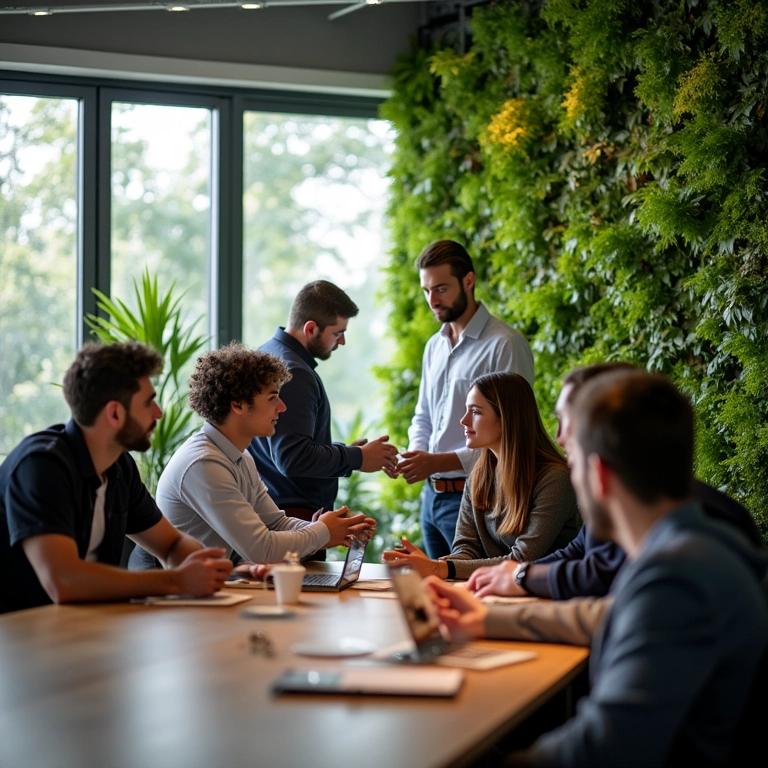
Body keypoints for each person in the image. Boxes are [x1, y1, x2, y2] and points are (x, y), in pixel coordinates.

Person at [428, 370, 768, 767]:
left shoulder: (676, 576)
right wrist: (485, 620)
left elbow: (604, 749)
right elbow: (605, 614)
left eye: (574, 461)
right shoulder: (691, 543)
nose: (560, 447)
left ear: (599, 476)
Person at [468, 362, 764, 600]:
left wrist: (520, 576)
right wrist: (512, 576)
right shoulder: (649, 504)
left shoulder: (680, 548)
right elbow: (578, 556)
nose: (559, 437)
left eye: (566, 419)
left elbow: (601, 574)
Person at [0, 342, 233, 614]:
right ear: (114, 413)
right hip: (16, 639)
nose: (158, 413)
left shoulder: (119, 466)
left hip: (81, 628)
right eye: (148, 403)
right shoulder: (41, 466)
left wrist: (207, 568)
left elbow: (172, 543)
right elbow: (63, 582)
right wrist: (177, 581)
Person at [129, 343, 374, 572]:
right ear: (238, 405)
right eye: (272, 398)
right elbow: (261, 549)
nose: (282, 407)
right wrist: (322, 532)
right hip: (172, 595)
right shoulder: (204, 463)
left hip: (208, 584)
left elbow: (276, 523)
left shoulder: (238, 456)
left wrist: (335, 529)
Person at [397, 240, 535, 558]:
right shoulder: (434, 345)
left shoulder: (505, 344)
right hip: (431, 500)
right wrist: (417, 455)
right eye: (426, 290)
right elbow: (423, 414)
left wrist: (437, 462)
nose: (432, 300)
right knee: (438, 593)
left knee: (474, 595)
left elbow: (512, 434)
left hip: (478, 497)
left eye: (441, 288)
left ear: (468, 281)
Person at [248, 281, 397, 559]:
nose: (342, 341)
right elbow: (291, 458)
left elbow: (283, 447)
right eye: (338, 333)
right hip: (293, 520)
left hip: (276, 513)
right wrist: (356, 458)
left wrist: (347, 451)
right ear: (310, 328)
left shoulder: (267, 353)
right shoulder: (295, 372)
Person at [383, 372, 580, 578]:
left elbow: (521, 560)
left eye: (475, 412)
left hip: (549, 596)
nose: (463, 420)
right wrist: (429, 564)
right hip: (501, 591)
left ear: (506, 418)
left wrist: (439, 568)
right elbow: (465, 548)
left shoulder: (556, 479)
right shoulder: (479, 474)